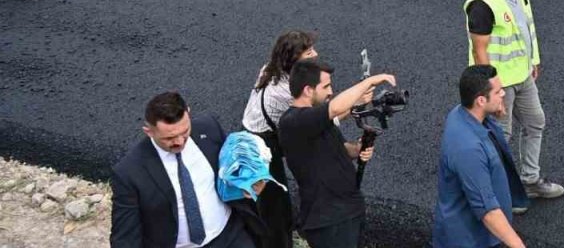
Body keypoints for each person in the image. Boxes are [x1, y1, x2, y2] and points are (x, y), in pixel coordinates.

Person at [464, 0, 564, 209]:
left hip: (522, 74)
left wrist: (534, 59)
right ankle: (501, 192)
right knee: (500, 137)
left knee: (535, 122)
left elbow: (525, 25)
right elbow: (479, 51)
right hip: (500, 84)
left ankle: (529, 181)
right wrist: (490, 88)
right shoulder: (482, 2)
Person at [110, 91, 255, 248]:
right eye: (169, 138)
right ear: (149, 132)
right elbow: (126, 235)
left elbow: (233, 165)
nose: (179, 142)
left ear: (189, 113)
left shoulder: (209, 127)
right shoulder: (128, 172)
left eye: (185, 132)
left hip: (230, 237)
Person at [278, 59, 396, 248]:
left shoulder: (317, 120)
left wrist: (357, 149)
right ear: (308, 90)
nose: (331, 92)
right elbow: (335, 108)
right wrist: (368, 82)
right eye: (326, 86)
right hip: (328, 221)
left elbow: (341, 149)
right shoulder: (293, 122)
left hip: (348, 210)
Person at [433, 65, 530, 248]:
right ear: (480, 101)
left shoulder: (461, 112)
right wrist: (518, 245)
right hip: (470, 241)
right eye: (498, 92)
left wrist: (494, 111)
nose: (503, 94)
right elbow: (488, 211)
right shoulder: (468, 149)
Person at [239, 31, 318, 248]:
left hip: (254, 135)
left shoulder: (270, 69)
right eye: (309, 52)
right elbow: (322, 116)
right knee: (275, 202)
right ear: (294, 59)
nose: (315, 54)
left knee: (267, 196)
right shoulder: (287, 91)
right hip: (263, 143)